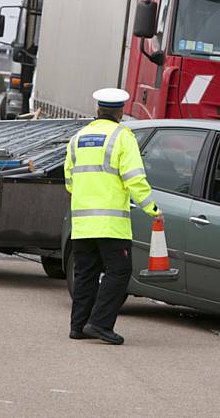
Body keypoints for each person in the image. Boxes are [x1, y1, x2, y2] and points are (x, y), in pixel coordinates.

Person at [64, 88, 162, 345]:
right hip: (111, 224)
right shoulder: (122, 137)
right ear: (120, 112)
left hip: (83, 223)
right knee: (119, 272)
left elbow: (69, 181)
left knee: (85, 273)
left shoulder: (77, 138)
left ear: (98, 111)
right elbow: (134, 178)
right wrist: (152, 208)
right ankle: (100, 323)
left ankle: (78, 326)